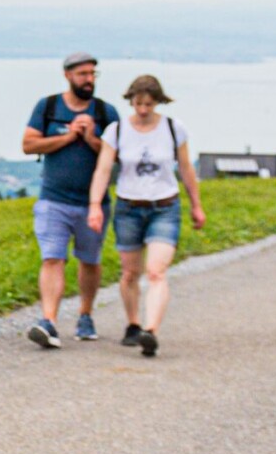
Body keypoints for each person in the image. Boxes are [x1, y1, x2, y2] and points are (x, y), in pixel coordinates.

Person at [86, 74, 206, 357]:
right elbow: (103, 169)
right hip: (129, 207)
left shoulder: (173, 129)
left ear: (158, 102)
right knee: (130, 272)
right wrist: (94, 205)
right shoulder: (116, 132)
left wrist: (196, 204)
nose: (142, 110)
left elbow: (186, 169)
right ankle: (133, 323)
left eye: (148, 104)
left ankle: (150, 330)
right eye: (138, 104)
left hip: (165, 207)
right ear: (131, 101)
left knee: (156, 271)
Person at [20, 53, 119, 348]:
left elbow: (120, 155)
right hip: (54, 199)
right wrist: (67, 136)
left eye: (93, 74)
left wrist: (91, 137)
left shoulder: (105, 112)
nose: (89, 80)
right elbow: (28, 144)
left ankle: (85, 314)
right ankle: (48, 321)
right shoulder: (48, 107)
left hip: (94, 203)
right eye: (83, 74)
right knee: (53, 257)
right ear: (67, 76)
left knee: (89, 261)